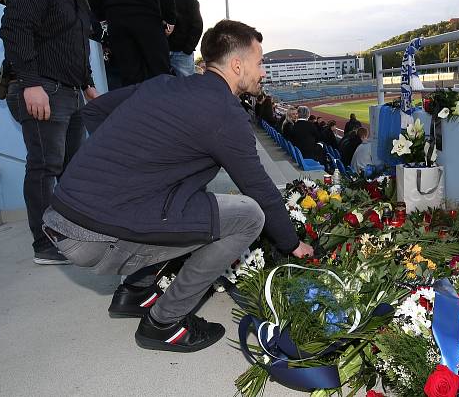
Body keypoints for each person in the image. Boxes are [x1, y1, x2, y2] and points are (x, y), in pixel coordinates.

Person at [42, 20, 314, 352]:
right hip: (93, 238)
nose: (263, 73)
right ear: (237, 65)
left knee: (183, 205)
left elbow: (95, 112)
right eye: (260, 63)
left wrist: (128, 170)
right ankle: (163, 323)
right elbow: (260, 191)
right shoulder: (226, 115)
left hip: (60, 217)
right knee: (248, 216)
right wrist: (292, 244)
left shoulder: (163, 84)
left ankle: (134, 294)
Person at [0, 0, 107, 264]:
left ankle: (75, 232)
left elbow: (78, 45)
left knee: (73, 168)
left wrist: (88, 85)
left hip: (71, 92)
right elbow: (15, 32)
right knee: (45, 166)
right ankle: (45, 244)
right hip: (42, 89)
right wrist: (30, 84)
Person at [167, 0, 203, 76]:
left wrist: (187, 49)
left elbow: (197, 26)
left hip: (181, 54)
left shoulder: (189, 0)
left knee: (186, 89)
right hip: (163, 51)